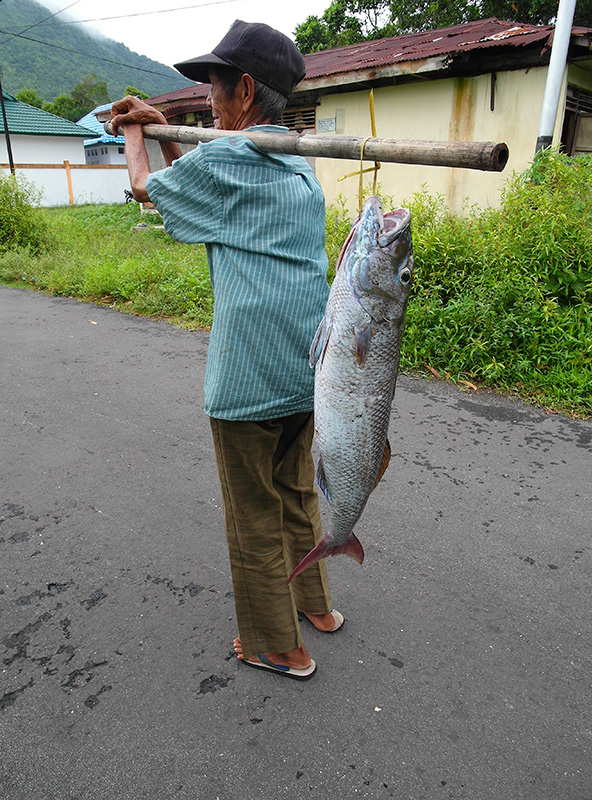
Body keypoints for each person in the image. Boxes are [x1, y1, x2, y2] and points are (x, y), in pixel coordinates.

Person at [112, 20, 344, 681]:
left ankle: (279, 646)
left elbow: (146, 188)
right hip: (303, 370)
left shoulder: (226, 162)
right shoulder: (298, 168)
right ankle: (316, 608)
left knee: (253, 514)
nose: (207, 99)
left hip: (248, 379)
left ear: (244, 90)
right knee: (295, 493)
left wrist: (134, 134)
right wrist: (167, 128)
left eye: (213, 86)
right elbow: (202, 191)